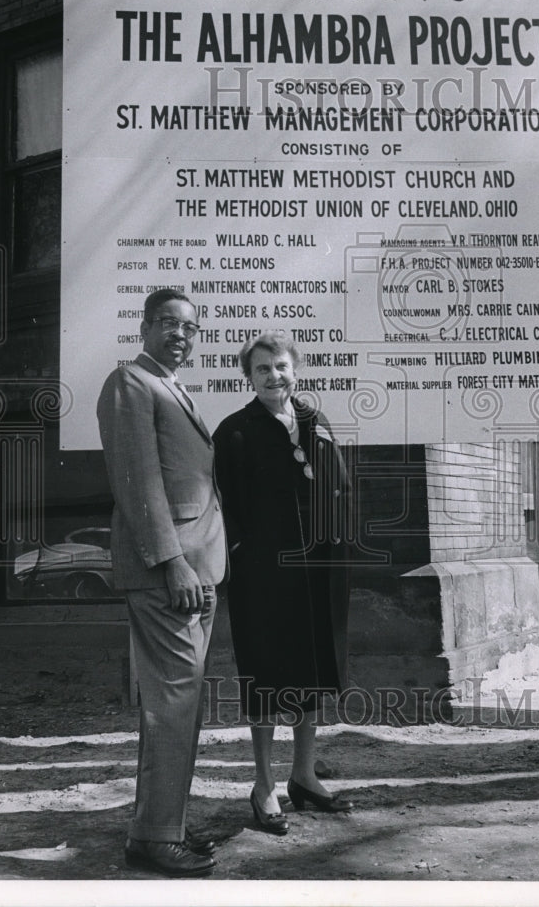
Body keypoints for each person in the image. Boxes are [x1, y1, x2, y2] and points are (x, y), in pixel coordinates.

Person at [97, 288, 227, 877]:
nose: (181, 334)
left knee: (180, 703)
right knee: (174, 700)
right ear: (145, 327)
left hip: (197, 571)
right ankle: (153, 837)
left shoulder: (172, 386)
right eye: (169, 323)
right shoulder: (131, 383)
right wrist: (171, 561)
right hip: (168, 573)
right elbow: (138, 481)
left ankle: (163, 824)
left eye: (191, 327)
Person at [213, 331, 353, 836]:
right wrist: (241, 557)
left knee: (311, 668)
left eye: (281, 367)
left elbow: (338, 486)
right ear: (248, 378)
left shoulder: (317, 423)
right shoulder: (235, 432)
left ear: (297, 370)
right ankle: (263, 784)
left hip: (317, 571)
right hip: (265, 576)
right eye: (262, 370)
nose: (274, 376)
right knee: (268, 675)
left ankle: (304, 775)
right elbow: (225, 507)